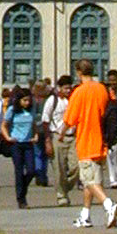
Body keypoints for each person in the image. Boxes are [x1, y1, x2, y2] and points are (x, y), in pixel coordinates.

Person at [62, 59, 117, 229]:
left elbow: (70, 119)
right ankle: (85, 215)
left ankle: (108, 205)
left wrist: (61, 133)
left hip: (86, 141)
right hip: (101, 140)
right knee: (93, 181)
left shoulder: (79, 92)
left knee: (88, 180)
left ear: (79, 72)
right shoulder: (102, 89)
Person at [0, 84, 39, 208]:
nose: (27, 103)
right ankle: (21, 199)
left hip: (28, 143)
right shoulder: (12, 110)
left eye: (28, 100)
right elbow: (4, 125)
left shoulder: (31, 111)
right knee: (19, 170)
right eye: (24, 100)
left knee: (32, 170)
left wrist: (36, 135)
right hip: (16, 143)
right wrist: (8, 137)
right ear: (19, 100)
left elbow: (34, 125)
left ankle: (23, 188)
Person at [42, 75, 78, 206]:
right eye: (65, 88)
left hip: (73, 136)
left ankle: (65, 186)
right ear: (59, 88)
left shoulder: (74, 100)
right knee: (59, 168)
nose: (68, 91)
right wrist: (47, 141)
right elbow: (45, 121)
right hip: (57, 136)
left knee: (76, 166)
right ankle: (61, 195)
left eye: (70, 88)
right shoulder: (53, 100)